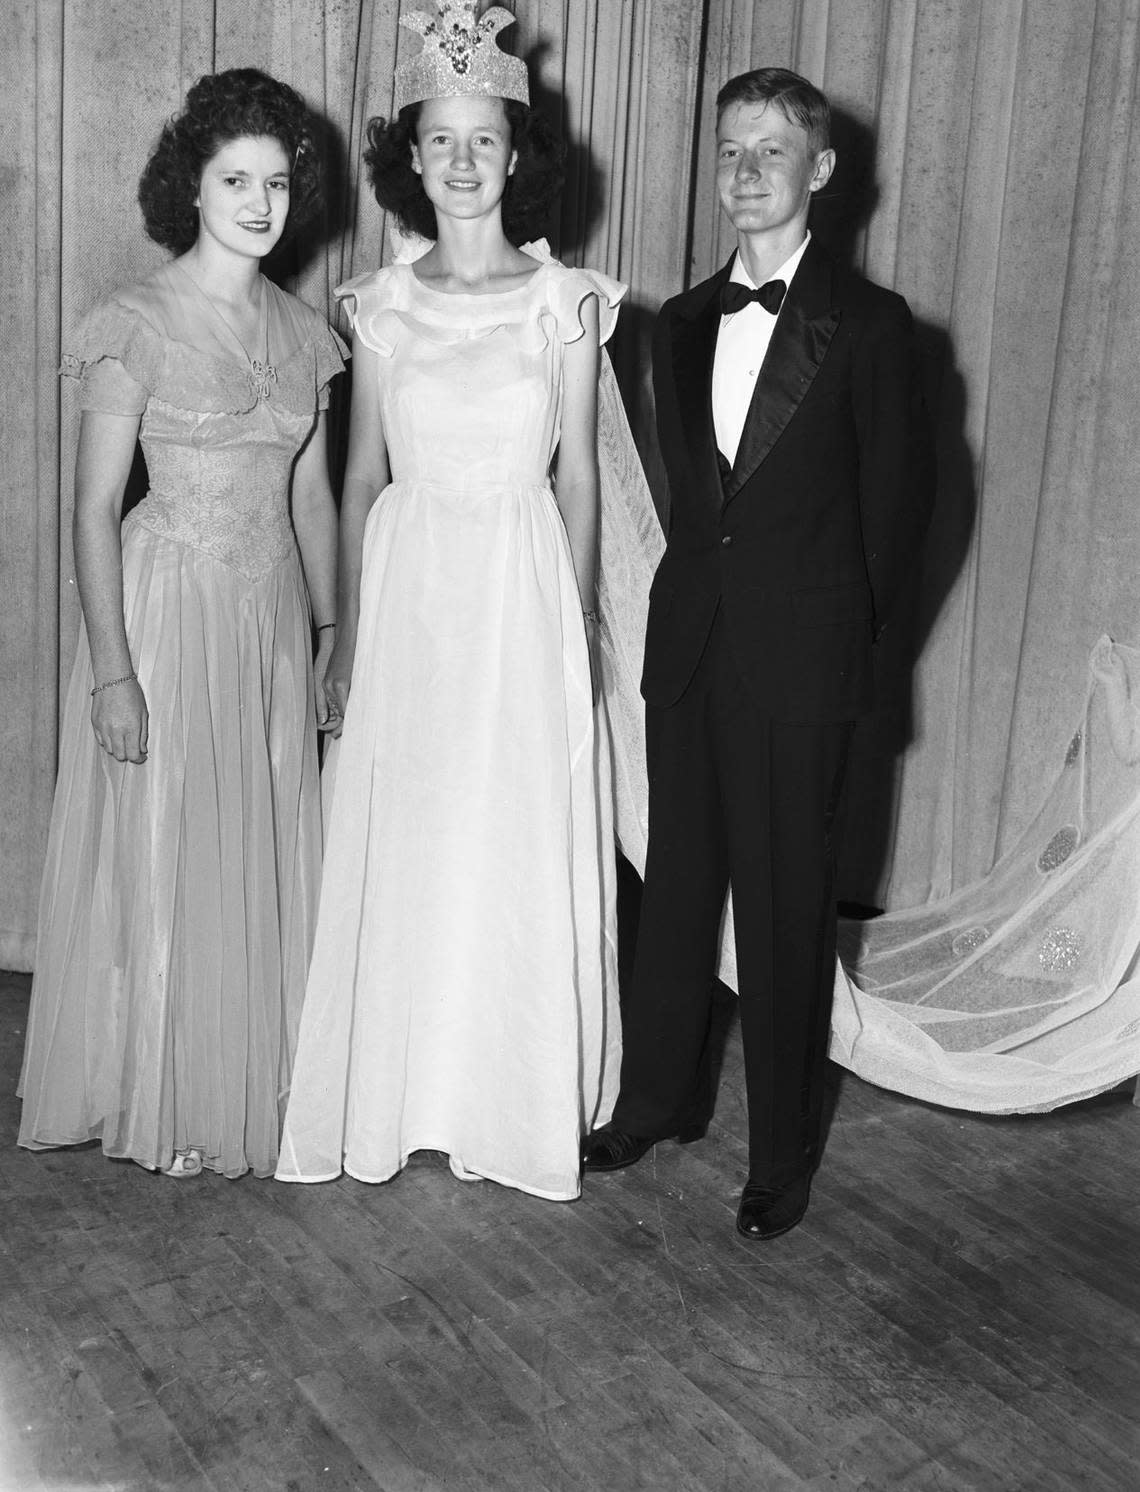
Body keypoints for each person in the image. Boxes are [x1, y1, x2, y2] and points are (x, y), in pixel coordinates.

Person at [275, 1, 622, 1201]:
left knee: (508, 831)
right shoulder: (378, 306)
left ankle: (506, 1097)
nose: (464, 162)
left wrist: (573, 624)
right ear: (408, 159)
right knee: (415, 825)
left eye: (486, 139)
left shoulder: (565, 299)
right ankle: (404, 1093)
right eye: (441, 140)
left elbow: (577, 473)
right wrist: (349, 639)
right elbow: (362, 475)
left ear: (519, 154)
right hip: (416, 589)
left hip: (519, 591)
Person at [582, 67, 935, 1239]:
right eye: (730, 150)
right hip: (690, 653)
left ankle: (780, 1156)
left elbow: (903, 513)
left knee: (787, 917)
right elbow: (700, 506)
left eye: (771, 151)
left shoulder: (876, 330)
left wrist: (854, 667)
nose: (745, 171)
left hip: (807, 668)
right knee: (673, 892)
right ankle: (657, 1102)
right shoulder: (679, 325)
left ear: (821, 172)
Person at [17, 69, 346, 1180]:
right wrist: (112, 674)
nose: (261, 202)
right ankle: (160, 1092)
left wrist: (333, 630)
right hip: (163, 610)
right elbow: (90, 507)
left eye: (277, 181)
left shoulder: (307, 335)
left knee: (254, 839)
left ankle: (247, 1078)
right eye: (235, 179)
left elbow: (311, 496)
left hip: (268, 617)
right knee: (165, 847)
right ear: (191, 189)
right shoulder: (134, 320)